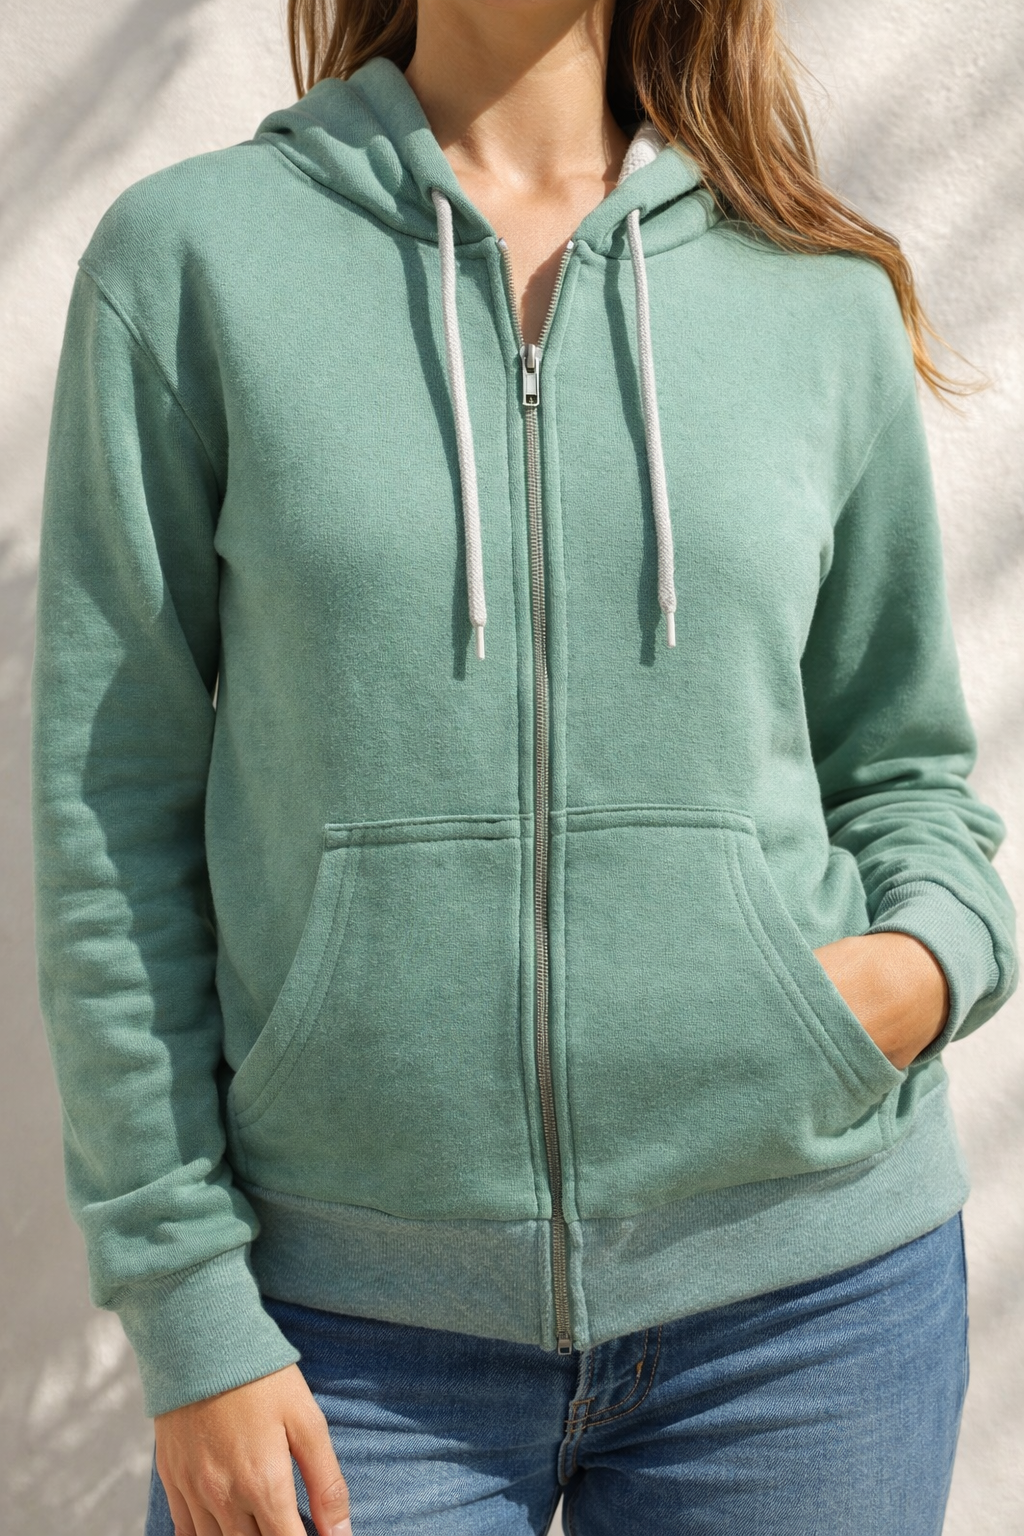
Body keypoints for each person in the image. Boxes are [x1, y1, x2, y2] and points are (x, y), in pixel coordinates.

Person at [31, 0, 1018, 1530]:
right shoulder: (193, 261)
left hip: (808, 1308)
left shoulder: (809, 288)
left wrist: (923, 969)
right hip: (344, 1334)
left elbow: (901, 764)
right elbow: (112, 812)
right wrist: (187, 1310)